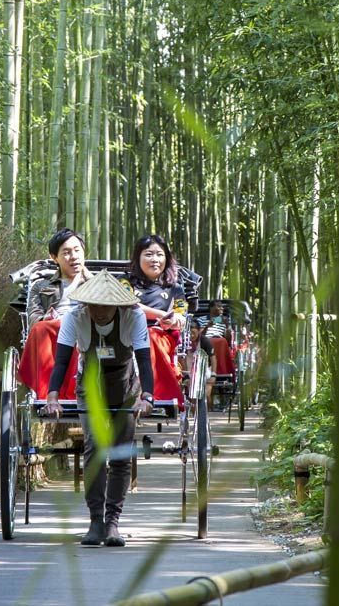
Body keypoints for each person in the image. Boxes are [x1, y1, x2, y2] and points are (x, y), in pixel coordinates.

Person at [43, 270, 155, 547]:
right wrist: (53, 396)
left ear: (118, 305)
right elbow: (61, 361)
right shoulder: (75, 317)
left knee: (119, 453)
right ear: (86, 304)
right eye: (95, 305)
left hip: (125, 386)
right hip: (90, 384)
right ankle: (95, 521)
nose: (100, 312)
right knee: (94, 447)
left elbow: (143, 358)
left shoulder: (134, 317)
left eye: (106, 306)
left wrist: (147, 397)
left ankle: (113, 522)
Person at [17, 228, 90, 400]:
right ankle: (47, 393)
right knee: (40, 329)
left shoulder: (97, 283)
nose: (73, 256)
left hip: (88, 327)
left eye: (77, 250)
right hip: (54, 328)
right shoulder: (41, 286)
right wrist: (46, 318)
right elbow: (34, 318)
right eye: (66, 252)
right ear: (54, 257)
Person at [127, 234, 189, 406]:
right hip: (125, 333)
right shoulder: (125, 282)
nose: (155, 259)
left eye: (159, 254)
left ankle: (149, 393)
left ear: (167, 259)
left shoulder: (175, 289)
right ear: (138, 257)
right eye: (148, 254)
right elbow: (128, 305)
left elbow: (180, 314)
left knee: (149, 336)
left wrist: (173, 320)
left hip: (159, 335)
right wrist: (161, 314)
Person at [197, 301, 236, 409]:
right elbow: (198, 337)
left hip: (221, 342)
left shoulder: (223, 321)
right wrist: (207, 326)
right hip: (206, 342)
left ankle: (222, 370)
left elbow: (228, 341)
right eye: (218, 306)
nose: (221, 308)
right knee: (212, 342)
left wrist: (227, 326)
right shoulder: (202, 320)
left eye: (222, 307)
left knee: (222, 341)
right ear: (211, 308)